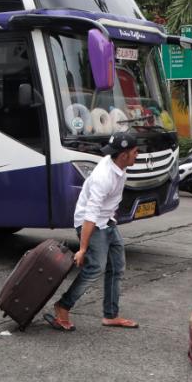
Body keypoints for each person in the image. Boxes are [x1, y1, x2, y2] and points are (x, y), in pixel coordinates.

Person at [45, 131, 141, 331]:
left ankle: (110, 315)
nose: (137, 155)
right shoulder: (103, 177)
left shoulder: (117, 164)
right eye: (135, 152)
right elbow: (90, 215)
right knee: (95, 267)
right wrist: (82, 248)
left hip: (106, 221)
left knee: (117, 266)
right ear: (123, 155)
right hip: (91, 223)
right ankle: (63, 306)